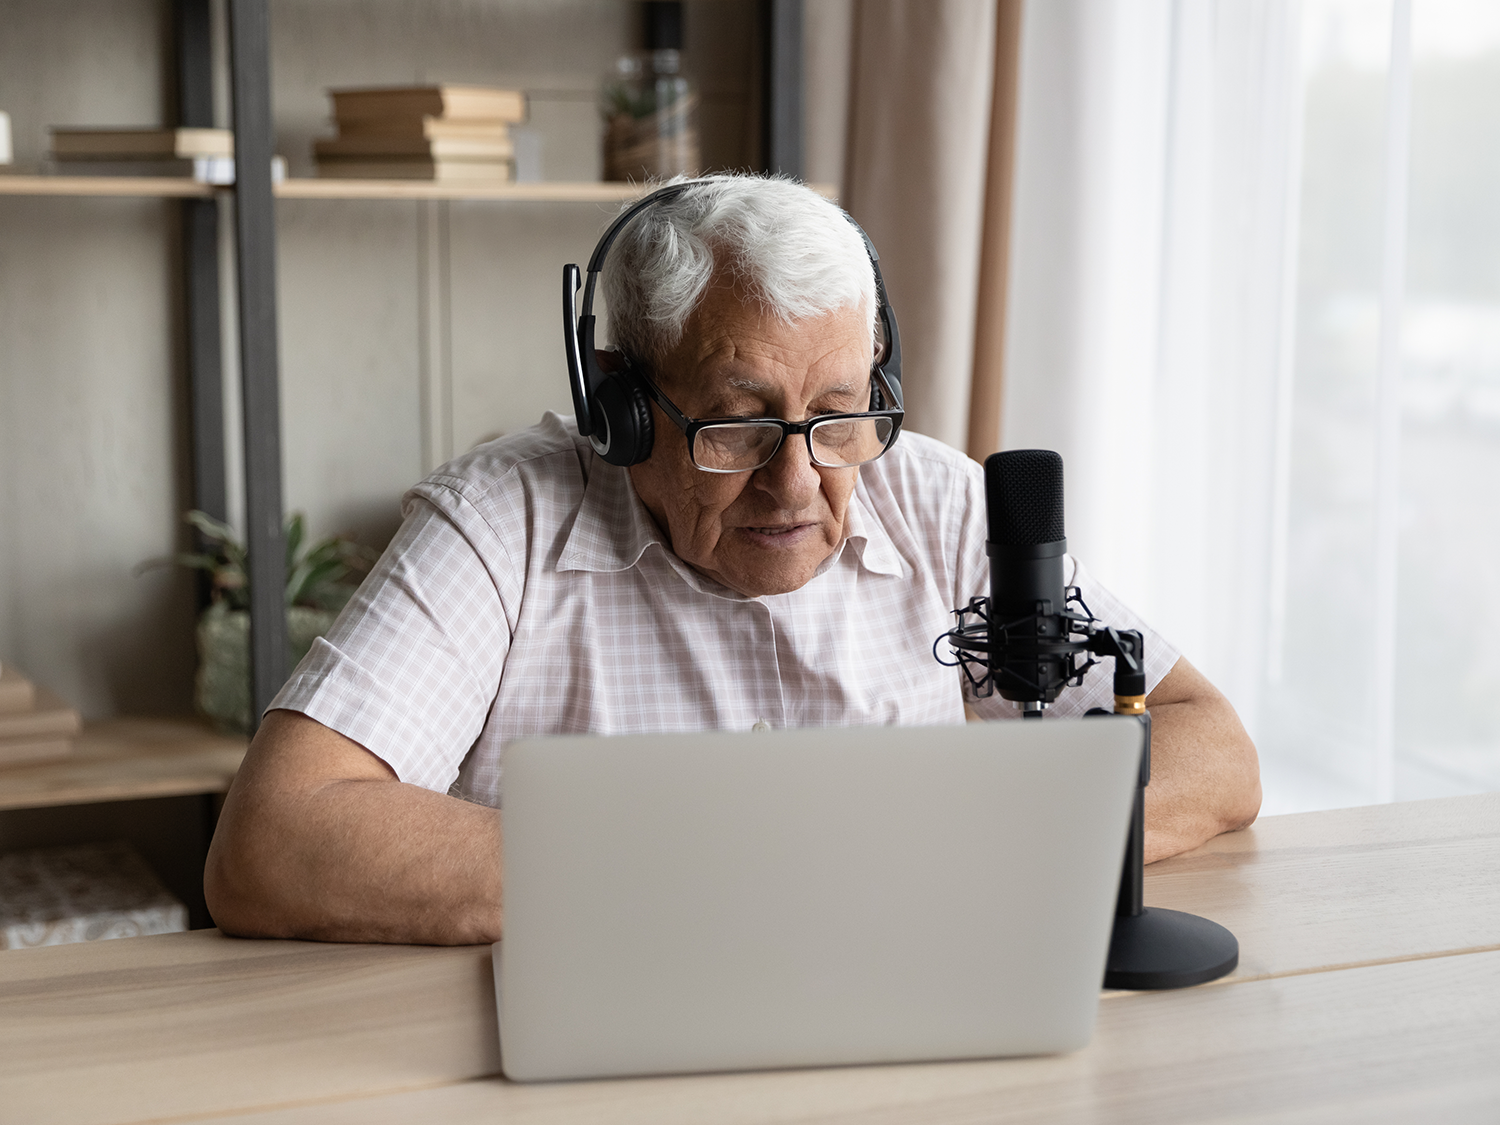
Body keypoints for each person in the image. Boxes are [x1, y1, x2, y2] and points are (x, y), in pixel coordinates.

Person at [205, 175, 1260, 945]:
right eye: (737, 424)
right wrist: (743, 869)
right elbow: (276, 841)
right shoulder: (500, 523)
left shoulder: (937, 499)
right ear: (617, 406)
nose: (797, 483)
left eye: (840, 413)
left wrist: (977, 846)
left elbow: (1207, 744)